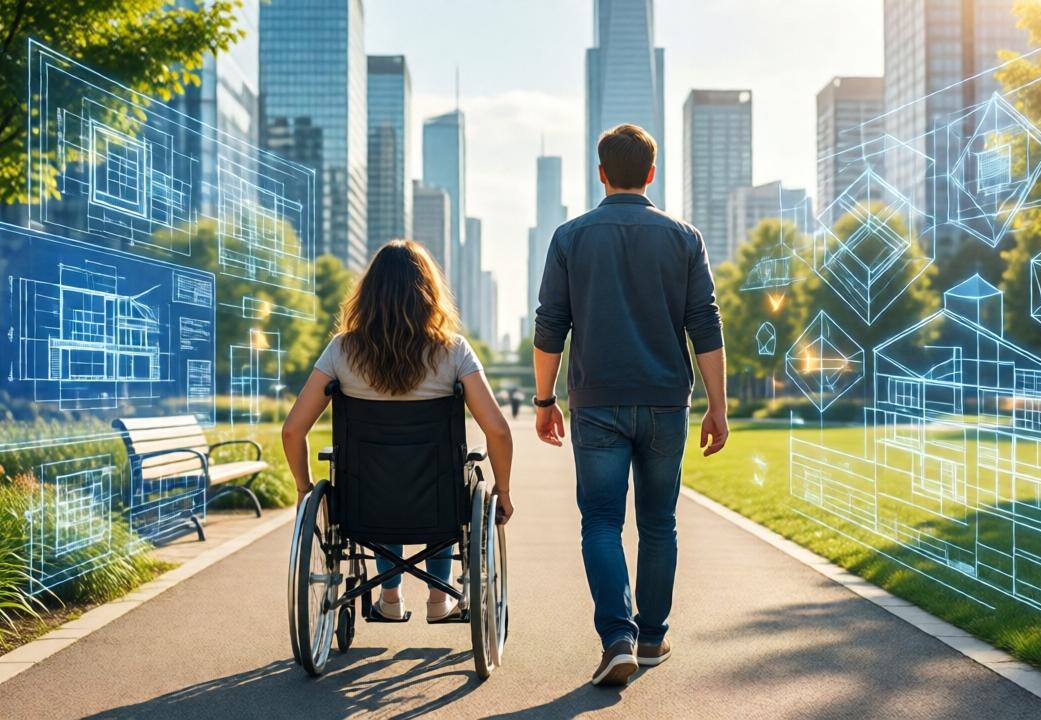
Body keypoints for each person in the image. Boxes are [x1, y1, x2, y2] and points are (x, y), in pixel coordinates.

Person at [532, 123, 728, 686]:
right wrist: (717, 405)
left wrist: (545, 400)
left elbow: (550, 328)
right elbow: (705, 326)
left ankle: (616, 635)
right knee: (659, 522)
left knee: (600, 520)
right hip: (667, 401)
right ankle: (651, 637)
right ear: (650, 173)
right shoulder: (684, 237)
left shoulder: (570, 237)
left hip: (596, 403)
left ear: (600, 173)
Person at [282, 239, 514, 623]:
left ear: (368, 294)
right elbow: (499, 431)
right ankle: (440, 600)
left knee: (379, 477)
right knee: (448, 479)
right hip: (437, 502)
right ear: (430, 294)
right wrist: (502, 491)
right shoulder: (454, 351)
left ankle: (389, 599)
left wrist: (305, 491)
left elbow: (292, 431)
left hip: (364, 503)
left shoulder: (341, 351)